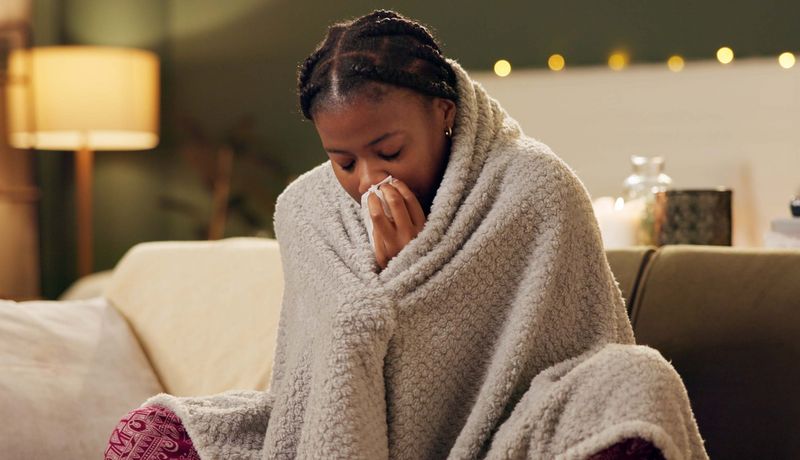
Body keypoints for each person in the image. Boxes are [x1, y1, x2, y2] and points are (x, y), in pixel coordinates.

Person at [106, 9, 706, 460]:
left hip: (507, 434)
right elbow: (314, 380)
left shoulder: (534, 187)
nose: (368, 179)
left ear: (443, 112)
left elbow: (575, 351)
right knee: (157, 434)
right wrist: (385, 286)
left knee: (637, 382)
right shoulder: (305, 210)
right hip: (338, 429)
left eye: (388, 150)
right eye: (343, 161)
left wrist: (411, 278)